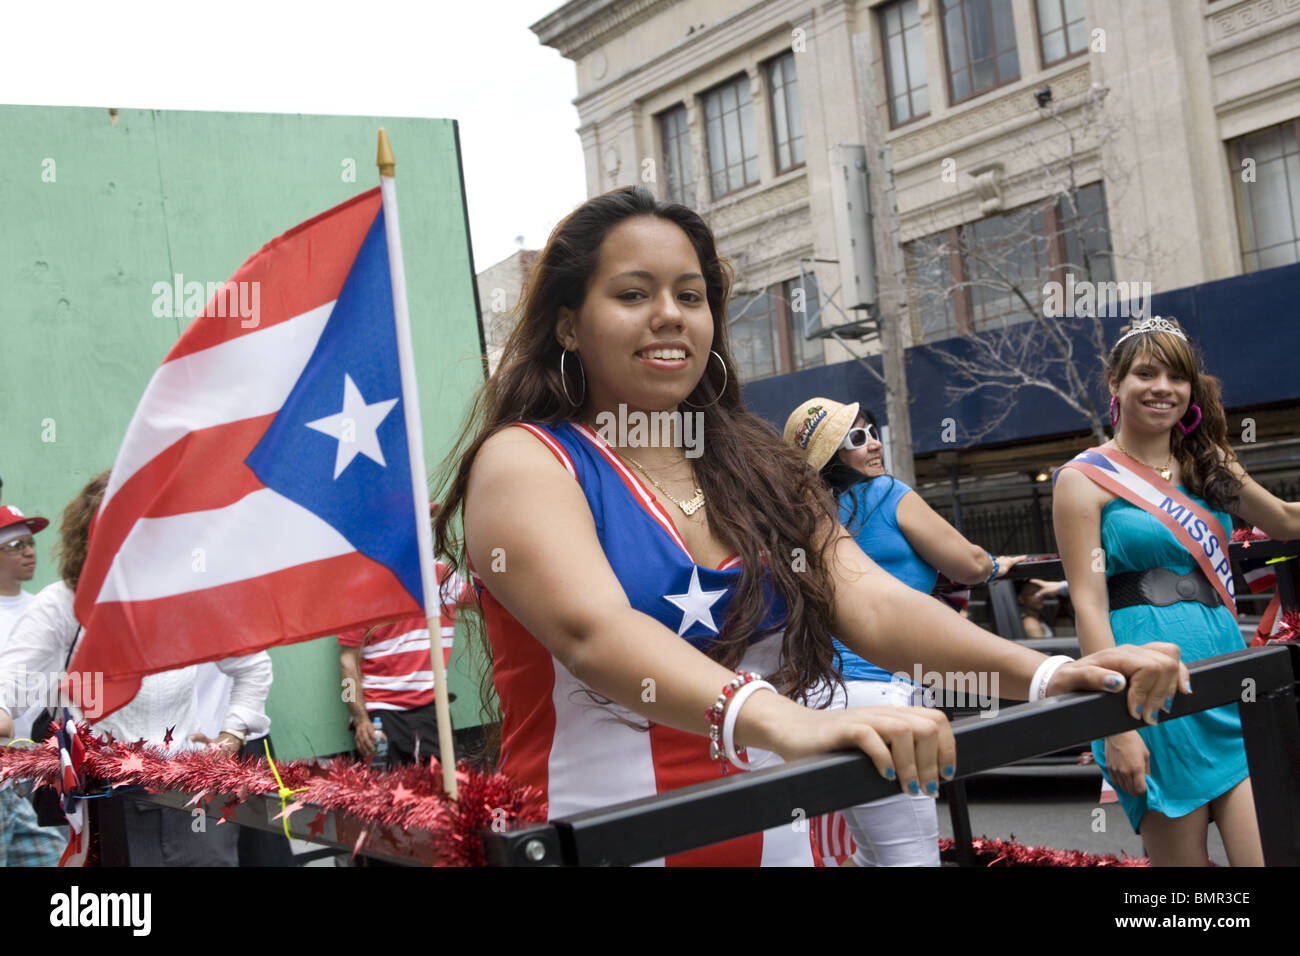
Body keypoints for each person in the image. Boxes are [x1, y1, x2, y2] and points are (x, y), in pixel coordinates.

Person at [432, 185, 1188, 867]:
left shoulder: (758, 464)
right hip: (595, 842)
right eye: (633, 293)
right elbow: (592, 635)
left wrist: (1048, 673)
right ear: (569, 323)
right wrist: (786, 723)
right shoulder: (525, 462)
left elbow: (869, 601)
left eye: (691, 296)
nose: (669, 314)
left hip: (777, 841)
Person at [1053, 315, 1300, 867]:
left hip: (1230, 680)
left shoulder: (1206, 464)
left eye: (1177, 376)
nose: (1163, 387)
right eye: (1146, 373)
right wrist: (1114, 724)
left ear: (1190, 388)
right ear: (1115, 383)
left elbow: (1284, 520)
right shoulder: (1083, 478)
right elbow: (1089, 606)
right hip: (1148, 695)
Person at [783, 398, 1023, 866]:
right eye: (855, 438)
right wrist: (995, 565)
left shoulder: (800, 518)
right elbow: (967, 563)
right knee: (910, 859)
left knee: (864, 857)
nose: (873, 442)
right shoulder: (888, 493)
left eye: (870, 430)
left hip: (819, 698)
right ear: (832, 457)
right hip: (884, 695)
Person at [0, 472, 274, 866]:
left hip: (192, 798)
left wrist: (231, 736)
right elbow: (12, 684)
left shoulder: (185, 598)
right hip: (109, 803)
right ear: (91, 538)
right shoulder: (62, 604)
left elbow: (253, 666)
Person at [337, 542, 473, 767]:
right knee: (388, 796)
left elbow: (488, 599)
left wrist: (495, 555)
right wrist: (360, 719)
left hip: (432, 708)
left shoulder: (443, 577)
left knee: (447, 791)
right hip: (382, 715)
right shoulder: (363, 586)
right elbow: (347, 661)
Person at [0, 505, 66, 866]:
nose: (29, 551)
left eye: (30, 543)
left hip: (37, 768)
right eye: (15, 545)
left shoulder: (44, 609)